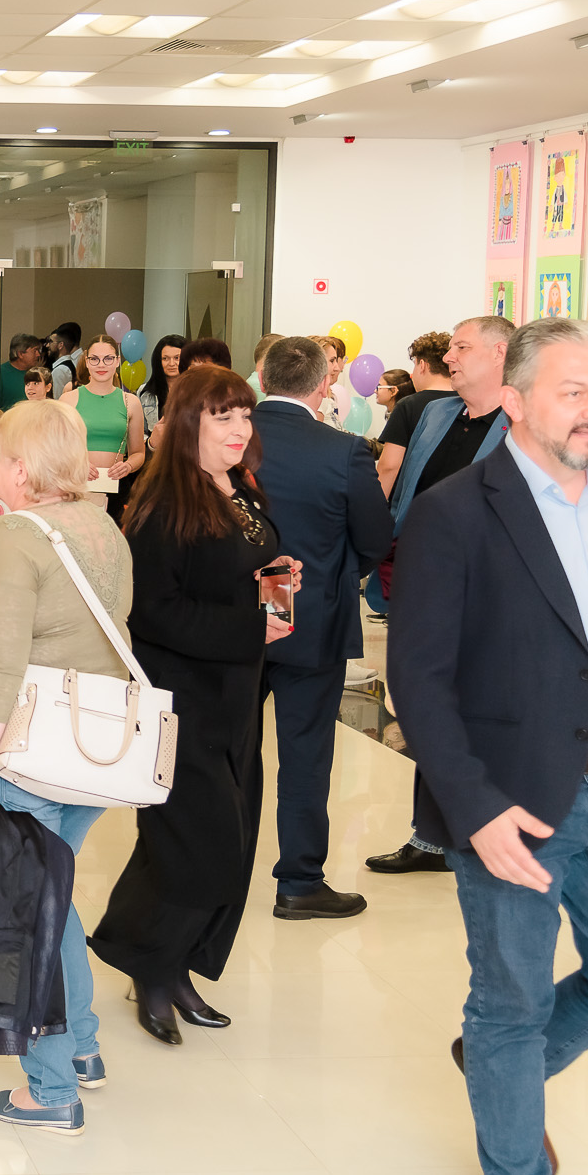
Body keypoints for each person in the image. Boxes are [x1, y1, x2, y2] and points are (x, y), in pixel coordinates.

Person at [391, 318, 588, 1175]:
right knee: (511, 1002)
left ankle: (495, 1065)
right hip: (510, 796)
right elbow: (419, 678)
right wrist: (473, 808)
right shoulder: (454, 512)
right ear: (516, 402)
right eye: (574, 391)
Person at [90, 364, 298, 1045]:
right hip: (181, 700)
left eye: (244, 414)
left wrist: (275, 580)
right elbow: (153, 612)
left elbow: (236, 568)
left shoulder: (240, 488)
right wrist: (247, 626)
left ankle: (170, 964)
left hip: (236, 694)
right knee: (196, 842)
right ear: (188, 423)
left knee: (216, 839)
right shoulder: (163, 504)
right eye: (222, 415)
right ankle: (147, 963)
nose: (240, 428)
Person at [0, 397, 130, 1134]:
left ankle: (50, 1090)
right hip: (95, 751)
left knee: (28, 914)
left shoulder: (11, 536)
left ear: (20, 468)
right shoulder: (104, 527)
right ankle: (81, 1045)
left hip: (27, 751)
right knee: (56, 900)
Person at [365, 316, 513, 876]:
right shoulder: (435, 413)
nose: (448, 358)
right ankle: (430, 838)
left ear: (500, 354)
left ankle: (482, 832)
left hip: (489, 590)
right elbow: (405, 487)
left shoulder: (524, 423)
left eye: (461, 347)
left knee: (480, 713)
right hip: (422, 581)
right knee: (429, 711)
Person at [251, 337, 391, 919]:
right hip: (312, 613)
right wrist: (335, 570)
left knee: (228, 750)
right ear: (323, 383)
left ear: (262, 379)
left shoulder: (231, 439)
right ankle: (299, 881)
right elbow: (376, 538)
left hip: (236, 614)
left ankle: (217, 873)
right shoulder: (343, 450)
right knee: (305, 753)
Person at [68, 335, 147, 517]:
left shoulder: (131, 402)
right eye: (95, 359)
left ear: (117, 361)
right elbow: (56, 451)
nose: (101, 365)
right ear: (87, 361)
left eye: (108, 359)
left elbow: (138, 453)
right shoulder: (69, 399)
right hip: (77, 485)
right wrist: (77, 464)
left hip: (116, 486)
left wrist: (128, 466)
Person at [374, 330, 455, 495]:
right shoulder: (466, 402)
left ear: (422, 365)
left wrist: (374, 504)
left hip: (414, 499)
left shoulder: (408, 405)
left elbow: (390, 466)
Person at [139, 333, 186, 436]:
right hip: (155, 445)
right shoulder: (145, 392)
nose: (171, 363)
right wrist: (150, 442)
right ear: (158, 361)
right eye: (165, 358)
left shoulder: (197, 390)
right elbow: (140, 431)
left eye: (177, 358)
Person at [0, 334, 45, 411]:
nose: (38, 354)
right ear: (20, 354)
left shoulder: (37, 374)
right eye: (35, 351)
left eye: (38, 351)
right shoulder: (0, 374)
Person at [48, 322, 84, 394]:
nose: (48, 345)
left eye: (51, 342)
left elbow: (58, 398)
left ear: (61, 345)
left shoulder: (60, 370)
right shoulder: (68, 363)